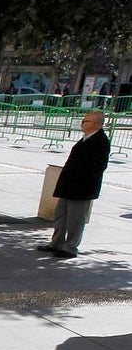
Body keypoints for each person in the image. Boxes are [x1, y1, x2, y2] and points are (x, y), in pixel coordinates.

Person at [39, 110, 111, 258]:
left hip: (81, 189)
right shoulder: (86, 138)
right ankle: (56, 243)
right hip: (68, 185)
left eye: (86, 121)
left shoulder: (100, 141)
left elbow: (98, 167)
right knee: (61, 216)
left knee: (75, 220)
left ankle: (70, 247)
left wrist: (80, 179)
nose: (82, 123)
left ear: (95, 124)